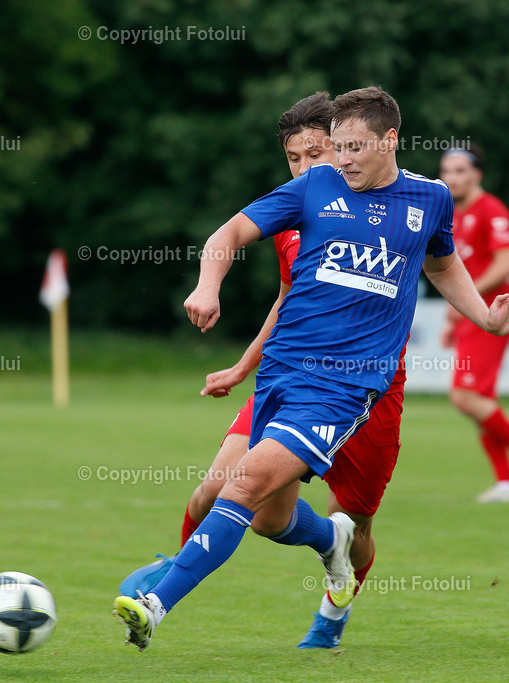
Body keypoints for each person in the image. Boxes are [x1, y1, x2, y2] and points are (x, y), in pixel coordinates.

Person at [113, 86, 509, 651]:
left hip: (351, 384)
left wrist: (487, 319)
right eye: (332, 148)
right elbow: (230, 235)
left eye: (352, 147)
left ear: (390, 140)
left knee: (289, 499)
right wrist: (208, 286)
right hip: (282, 377)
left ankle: (163, 603)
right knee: (260, 511)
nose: (339, 160)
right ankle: (325, 542)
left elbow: (441, 264)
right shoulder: (315, 189)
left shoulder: (432, 199)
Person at [117, 91, 411, 650]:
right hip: (292, 374)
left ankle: (330, 617)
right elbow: (285, 297)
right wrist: (243, 364)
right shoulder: (295, 211)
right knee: (229, 496)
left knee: (360, 522)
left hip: (366, 389)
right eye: (294, 158)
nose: (305, 168)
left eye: (316, 154)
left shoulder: (397, 206)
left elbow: (440, 263)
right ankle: (175, 579)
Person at [438, 147, 509, 502]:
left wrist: (467, 299)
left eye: (459, 170)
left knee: (464, 396)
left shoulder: (491, 210)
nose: (451, 178)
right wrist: (454, 314)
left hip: (493, 314)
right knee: (479, 398)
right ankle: (505, 481)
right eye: (446, 171)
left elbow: (504, 265)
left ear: (477, 175)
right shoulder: (449, 212)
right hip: (471, 315)